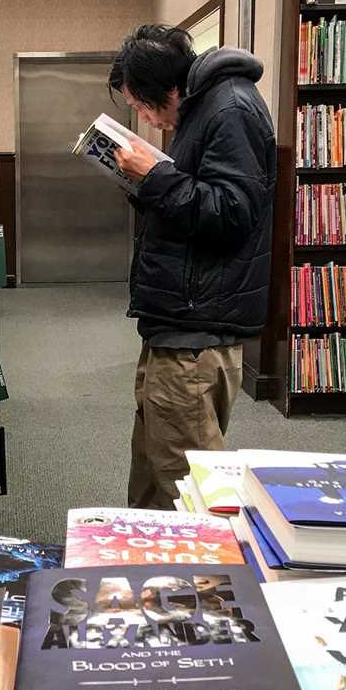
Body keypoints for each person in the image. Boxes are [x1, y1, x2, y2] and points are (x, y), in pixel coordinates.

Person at [109, 25, 276, 509]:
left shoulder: (228, 109)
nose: (145, 118)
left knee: (191, 496)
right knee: (153, 477)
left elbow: (232, 212)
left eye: (142, 106)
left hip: (195, 336)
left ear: (171, 89)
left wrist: (157, 177)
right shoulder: (206, 109)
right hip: (177, 326)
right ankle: (146, 578)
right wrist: (148, 184)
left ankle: (206, 587)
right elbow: (196, 200)